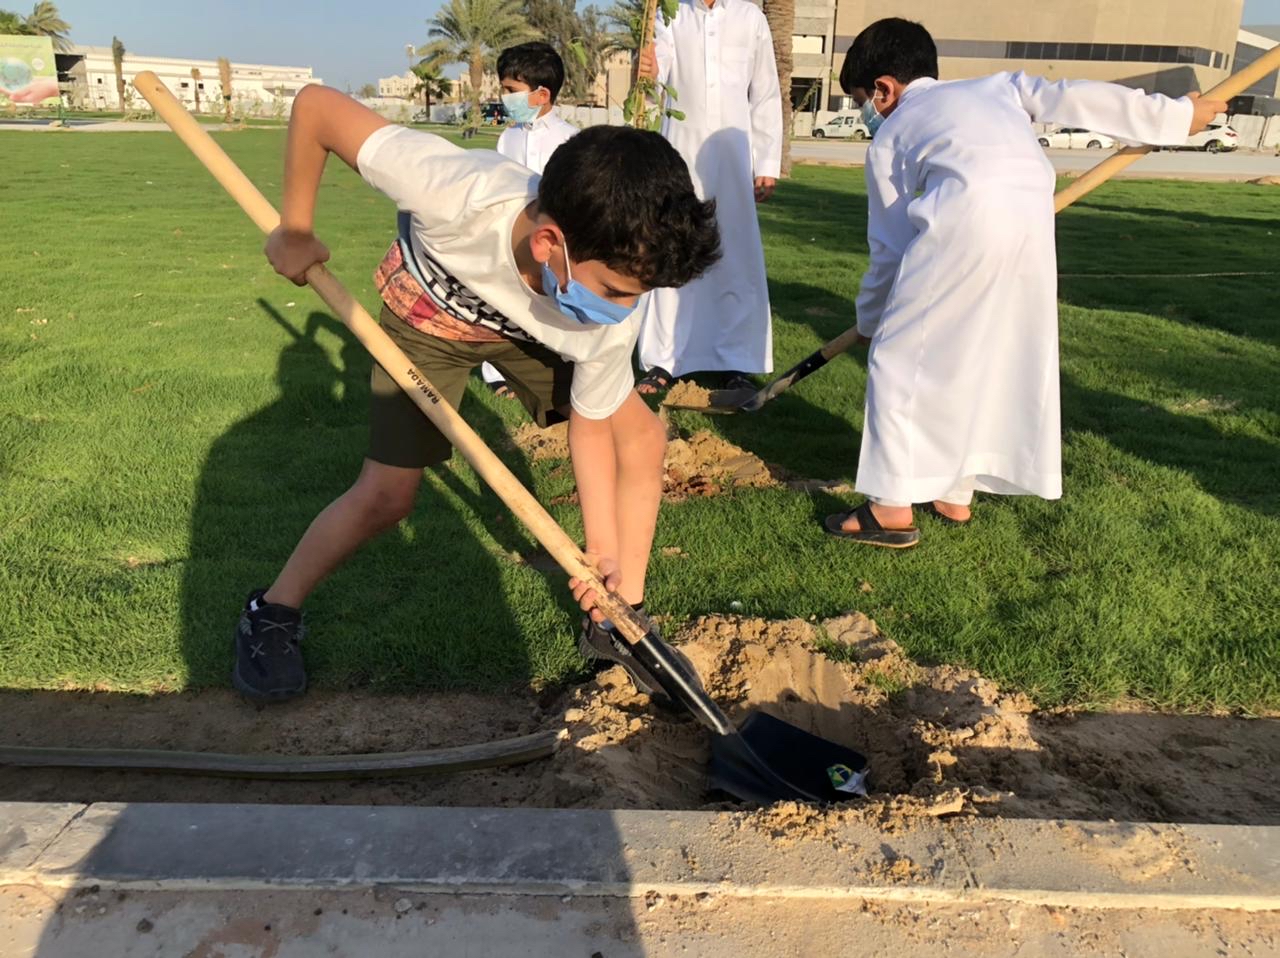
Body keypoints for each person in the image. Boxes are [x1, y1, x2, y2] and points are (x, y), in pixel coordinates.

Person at [235, 84, 720, 701]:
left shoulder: (603, 319)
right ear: (549, 243)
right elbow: (317, 108)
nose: (627, 310)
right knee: (387, 496)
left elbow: (591, 425)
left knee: (641, 437)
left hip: (530, 331)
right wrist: (297, 228)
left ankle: (619, 621)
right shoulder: (453, 190)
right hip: (430, 322)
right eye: (617, 292)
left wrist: (599, 554)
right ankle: (271, 612)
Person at [823, 18, 1227, 548]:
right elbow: (1075, 96)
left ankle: (890, 509)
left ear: (883, 89)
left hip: (961, 226)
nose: (865, 115)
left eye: (861, 102)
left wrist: (873, 321)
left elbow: (889, 249)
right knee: (981, 354)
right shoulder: (995, 87)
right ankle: (955, 491)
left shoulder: (891, 137)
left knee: (898, 363)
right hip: (1030, 228)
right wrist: (1174, 116)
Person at [633, 0, 782, 395]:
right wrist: (648, 70)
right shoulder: (669, 14)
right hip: (679, 154)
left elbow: (765, 94)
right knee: (672, 245)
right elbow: (656, 82)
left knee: (735, 255)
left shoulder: (751, 18)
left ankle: (737, 359)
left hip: (734, 159)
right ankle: (664, 358)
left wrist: (767, 162)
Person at [480, 40, 581, 400]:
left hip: (553, 238)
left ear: (541, 94)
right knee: (504, 300)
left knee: (551, 305)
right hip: (510, 233)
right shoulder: (507, 138)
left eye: (511, 90)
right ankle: (497, 371)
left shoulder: (571, 140)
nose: (504, 98)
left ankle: (556, 369)